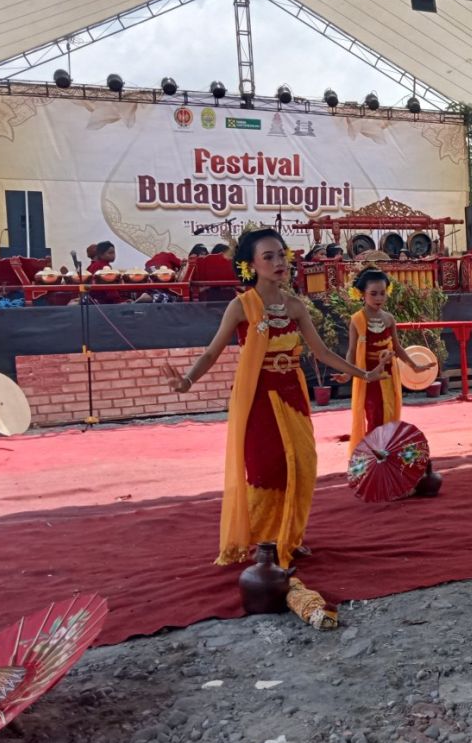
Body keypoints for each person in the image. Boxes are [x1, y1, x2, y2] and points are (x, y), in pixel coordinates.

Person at [164, 228, 390, 568]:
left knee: (303, 464)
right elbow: (212, 352)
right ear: (251, 265)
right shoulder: (241, 306)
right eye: (268, 257)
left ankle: (290, 536)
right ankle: (265, 542)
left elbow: (323, 351)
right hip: (258, 397)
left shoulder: (296, 306)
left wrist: (364, 374)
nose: (278, 262)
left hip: (292, 394)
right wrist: (187, 381)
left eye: (281, 254)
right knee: (266, 467)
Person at [334, 267, 433, 455]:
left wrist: (415, 365)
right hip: (369, 376)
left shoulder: (389, 319)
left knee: (391, 412)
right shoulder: (357, 320)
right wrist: (347, 372)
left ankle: (387, 451)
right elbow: (352, 350)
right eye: (373, 294)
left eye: (382, 293)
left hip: (389, 375)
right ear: (362, 294)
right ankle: (374, 455)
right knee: (374, 413)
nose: (379, 298)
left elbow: (397, 347)